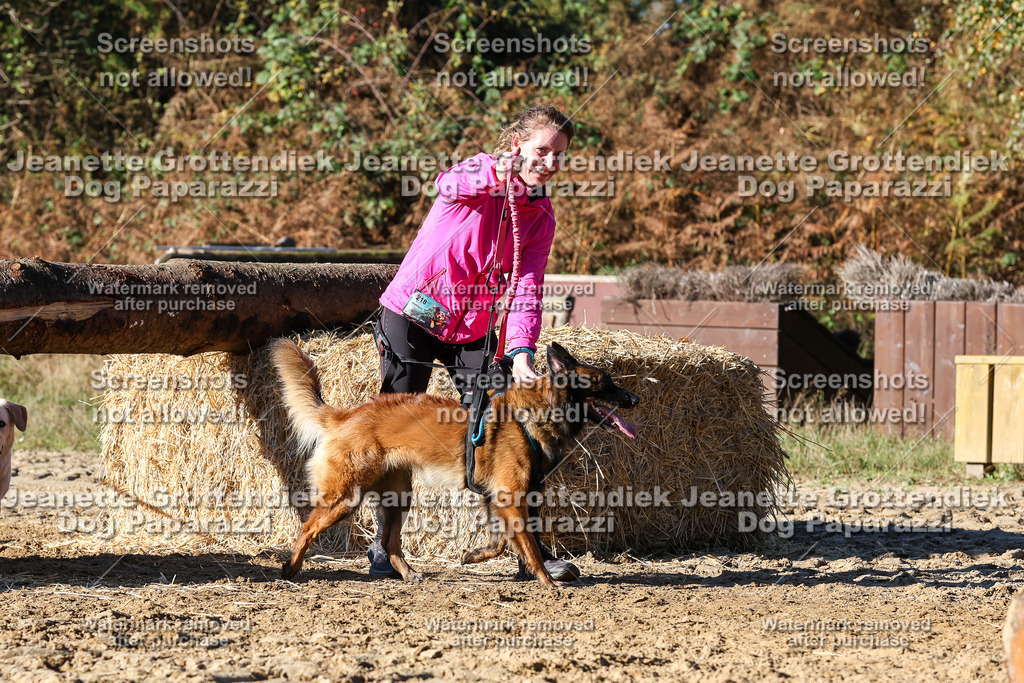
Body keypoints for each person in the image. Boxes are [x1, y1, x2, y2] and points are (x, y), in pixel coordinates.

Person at [369, 104, 579, 581]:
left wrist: (522, 349)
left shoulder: (540, 217)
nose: (549, 161)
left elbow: (527, 286)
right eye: (541, 149)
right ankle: (385, 548)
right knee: (395, 427)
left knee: (508, 427)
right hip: (415, 313)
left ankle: (531, 555)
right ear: (516, 146)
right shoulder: (475, 178)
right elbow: (447, 183)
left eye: (559, 155)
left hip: (475, 329)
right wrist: (495, 170)